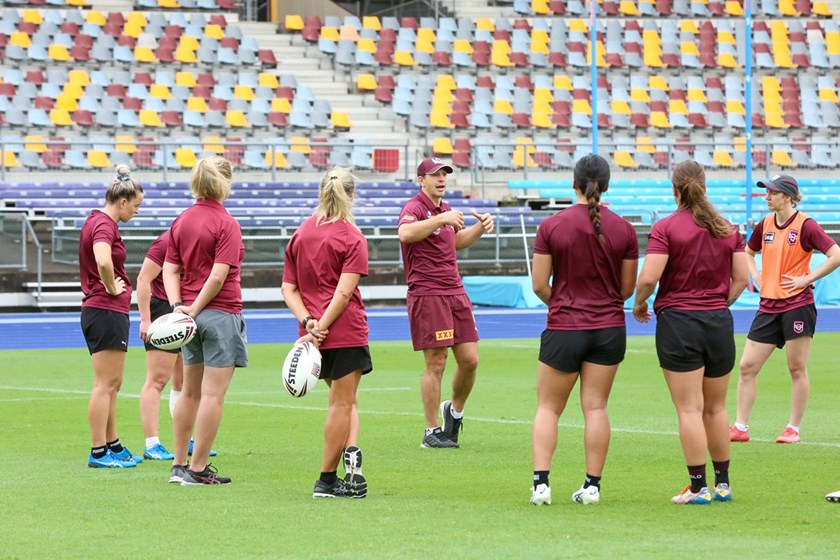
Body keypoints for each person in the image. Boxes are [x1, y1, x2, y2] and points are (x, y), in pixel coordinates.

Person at [633, 160, 749, 505]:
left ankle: (698, 487)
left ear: (674, 190)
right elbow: (742, 278)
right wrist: (718, 301)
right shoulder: (728, 228)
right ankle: (723, 484)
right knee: (715, 408)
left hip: (680, 322)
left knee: (688, 408)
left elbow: (649, 277)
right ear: (705, 187)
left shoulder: (666, 227)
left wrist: (640, 304)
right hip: (718, 322)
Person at [529, 154, 638, 506]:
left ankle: (541, 485)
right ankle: (592, 486)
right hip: (608, 328)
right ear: (606, 185)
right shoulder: (624, 228)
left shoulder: (552, 226)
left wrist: (562, 303)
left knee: (548, 407)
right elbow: (626, 290)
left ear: (573, 183)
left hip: (565, 326)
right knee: (596, 408)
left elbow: (538, 285)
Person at [281, 167, 372, 499]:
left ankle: (352, 458)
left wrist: (308, 323)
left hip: (311, 337)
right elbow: (344, 294)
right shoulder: (352, 237)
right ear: (352, 196)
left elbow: (288, 288)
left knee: (347, 403)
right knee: (342, 404)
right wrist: (323, 325)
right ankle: (327, 480)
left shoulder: (301, 233)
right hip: (343, 331)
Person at [730, 175, 840, 444]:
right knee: (746, 366)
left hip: (797, 305)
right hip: (768, 305)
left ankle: (793, 428)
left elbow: (836, 254)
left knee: (796, 368)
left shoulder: (806, 225)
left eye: (772, 192)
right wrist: (755, 275)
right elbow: (748, 252)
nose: (766, 196)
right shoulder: (765, 224)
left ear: (788, 196)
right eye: (766, 191)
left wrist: (807, 278)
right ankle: (740, 428)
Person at [398, 157, 495, 449]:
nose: (441, 179)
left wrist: (479, 228)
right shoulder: (414, 208)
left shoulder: (446, 210)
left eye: (444, 174)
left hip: (455, 290)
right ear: (421, 180)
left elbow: (454, 241)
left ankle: (453, 411)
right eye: (435, 175)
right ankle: (431, 432)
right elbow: (405, 234)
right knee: (436, 362)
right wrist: (441, 219)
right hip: (428, 294)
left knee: (470, 360)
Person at [162, 156, 247, 485]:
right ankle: (197, 469)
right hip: (220, 312)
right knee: (213, 395)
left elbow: (170, 268)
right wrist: (195, 308)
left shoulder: (181, 220)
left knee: (188, 392)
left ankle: (179, 464)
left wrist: (178, 306)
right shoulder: (226, 223)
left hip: (188, 320)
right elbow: (218, 276)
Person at [79, 165, 145, 468]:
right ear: (122, 202)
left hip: (105, 310)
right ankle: (98, 451)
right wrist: (110, 286)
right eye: (136, 205)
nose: (136, 211)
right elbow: (103, 260)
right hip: (104, 308)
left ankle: (112, 443)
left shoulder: (97, 220)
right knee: (105, 383)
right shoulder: (105, 226)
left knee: (112, 383)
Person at [136, 231, 217, 460]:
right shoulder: (166, 241)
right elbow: (143, 278)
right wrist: (145, 319)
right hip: (164, 310)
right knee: (157, 380)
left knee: (183, 381)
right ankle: (152, 444)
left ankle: (187, 440)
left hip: (184, 310)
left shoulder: (197, 239)